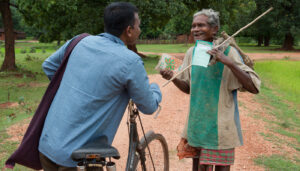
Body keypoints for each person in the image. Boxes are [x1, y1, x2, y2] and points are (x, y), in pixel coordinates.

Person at [38, 2, 162, 170]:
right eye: (138, 25)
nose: (140, 29)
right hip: (79, 158)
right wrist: (155, 89)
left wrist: (74, 88)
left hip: (48, 145)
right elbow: (148, 106)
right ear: (129, 30)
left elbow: (49, 66)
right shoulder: (130, 61)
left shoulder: (79, 41)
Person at [160, 9, 261, 171]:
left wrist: (228, 62)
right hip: (197, 125)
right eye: (193, 26)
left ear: (214, 29)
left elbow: (254, 87)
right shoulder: (192, 53)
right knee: (198, 168)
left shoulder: (229, 52)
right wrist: (173, 78)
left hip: (221, 129)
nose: (195, 29)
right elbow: (189, 88)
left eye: (201, 25)